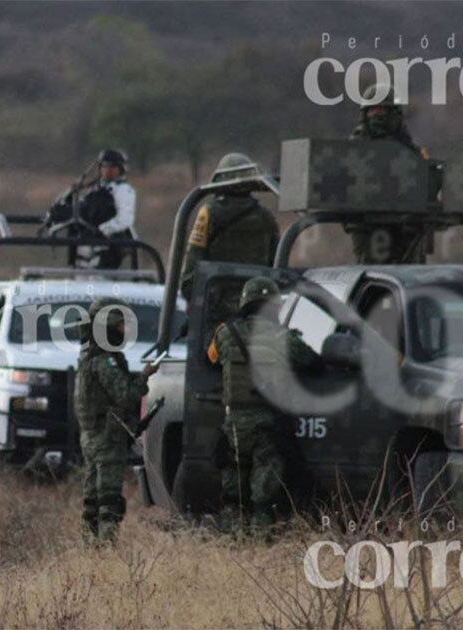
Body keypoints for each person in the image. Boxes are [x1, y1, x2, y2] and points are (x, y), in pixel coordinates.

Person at [206, 277, 321, 529]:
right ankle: (261, 542)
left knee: (233, 493)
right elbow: (311, 360)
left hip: (234, 424)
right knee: (264, 495)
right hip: (268, 425)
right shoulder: (282, 337)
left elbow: (211, 357)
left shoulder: (225, 333)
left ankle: (231, 544)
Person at [74, 297, 157, 543]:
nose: (125, 330)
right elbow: (125, 396)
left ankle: (89, 548)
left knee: (92, 500)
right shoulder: (105, 359)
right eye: (121, 325)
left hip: (92, 437)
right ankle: (105, 550)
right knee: (109, 501)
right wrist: (144, 377)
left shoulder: (89, 355)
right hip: (107, 440)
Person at [179, 153, 280, 329]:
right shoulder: (266, 217)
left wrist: (190, 295)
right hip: (256, 307)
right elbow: (275, 263)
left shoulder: (210, 212)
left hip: (216, 308)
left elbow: (193, 260)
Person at [346, 82, 431, 264]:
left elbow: (426, 182)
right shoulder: (355, 148)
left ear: (394, 113)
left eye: (382, 110)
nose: (376, 115)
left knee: (412, 269)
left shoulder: (409, 149)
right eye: (372, 111)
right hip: (367, 223)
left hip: (406, 222)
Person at [71, 149, 137, 268]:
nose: (108, 170)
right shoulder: (95, 189)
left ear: (120, 169)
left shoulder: (123, 190)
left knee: (100, 276)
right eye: (104, 166)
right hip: (88, 240)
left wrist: (102, 230)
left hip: (110, 241)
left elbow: (125, 219)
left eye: (112, 167)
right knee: (81, 272)